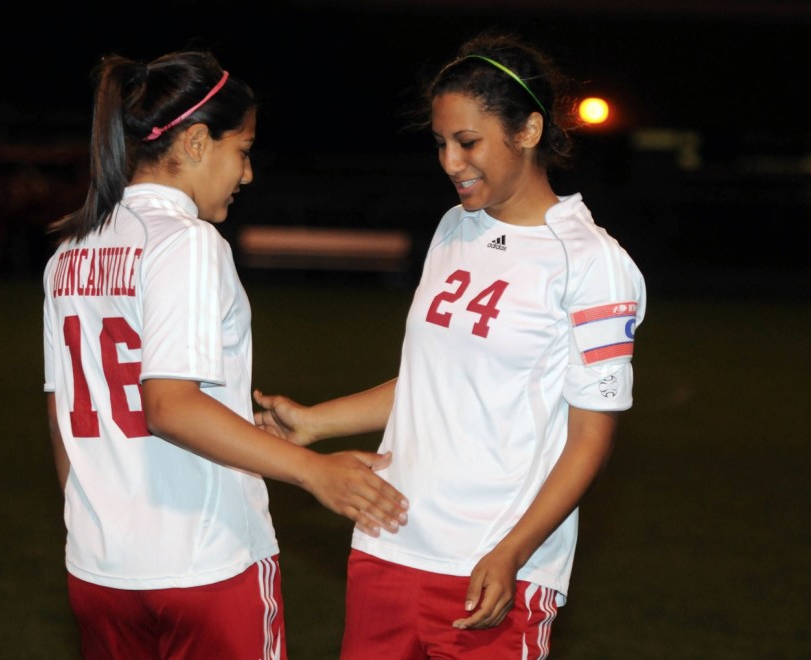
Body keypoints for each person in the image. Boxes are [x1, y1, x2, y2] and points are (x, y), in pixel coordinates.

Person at [253, 30, 646, 659]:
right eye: (440, 143)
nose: (449, 162)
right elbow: (434, 379)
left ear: (528, 130)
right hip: (388, 544)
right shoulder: (453, 227)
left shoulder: (592, 263)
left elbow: (590, 439)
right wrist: (314, 422)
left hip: (493, 569)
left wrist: (513, 552)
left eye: (468, 142)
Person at [41, 48, 408, 660]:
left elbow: (64, 414)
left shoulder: (72, 250)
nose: (247, 174)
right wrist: (315, 472)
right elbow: (170, 405)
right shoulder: (187, 243)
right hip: (204, 564)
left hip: (101, 569)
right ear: (194, 143)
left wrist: (92, 519)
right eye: (243, 150)